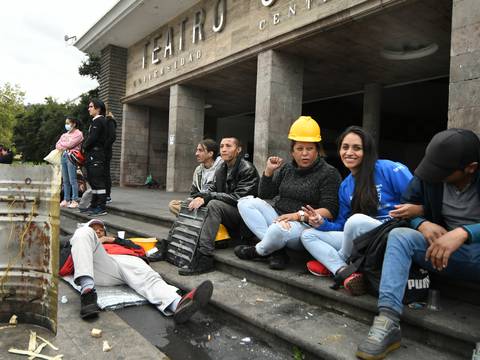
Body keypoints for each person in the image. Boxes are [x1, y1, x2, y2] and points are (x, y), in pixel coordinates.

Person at [357, 128, 480, 360]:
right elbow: (407, 206)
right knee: (400, 236)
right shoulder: (430, 174)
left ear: (470, 168)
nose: (432, 175)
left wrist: (465, 232)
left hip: (474, 254)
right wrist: (422, 223)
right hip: (440, 251)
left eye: (442, 172)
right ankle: (388, 321)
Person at [301, 126, 416, 294]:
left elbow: (418, 200)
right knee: (308, 234)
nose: (349, 152)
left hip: (392, 234)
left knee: (357, 221)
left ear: (367, 151)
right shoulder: (345, 186)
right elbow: (343, 225)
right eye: (345, 147)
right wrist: (321, 223)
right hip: (363, 239)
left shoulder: (390, 169)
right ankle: (343, 272)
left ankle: (338, 261)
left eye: (357, 148)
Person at [233, 116, 342, 270]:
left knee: (278, 229)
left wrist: (297, 216)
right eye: (299, 149)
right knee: (245, 203)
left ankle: (260, 250)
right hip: (279, 216)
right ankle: (277, 251)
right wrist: (269, 171)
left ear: (318, 150)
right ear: (292, 151)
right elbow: (266, 194)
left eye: (310, 148)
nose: (304, 154)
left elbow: (330, 211)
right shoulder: (287, 169)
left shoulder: (329, 173)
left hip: (304, 226)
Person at [60, 219, 213, 323]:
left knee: (146, 274)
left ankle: (177, 305)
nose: (98, 232)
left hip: (127, 264)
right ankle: (87, 293)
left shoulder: (117, 243)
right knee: (82, 232)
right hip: (101, 267)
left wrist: (114, 240)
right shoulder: (83, 238)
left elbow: (140, 250)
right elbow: (70, 245)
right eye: (95, 230)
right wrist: (84, 237)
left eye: (101, 230)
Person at [178, 137, 260, 276]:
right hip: (229, 213)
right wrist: (200, 196)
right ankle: (186, 243)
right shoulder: (222, 168)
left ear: (238, 150)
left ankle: (205, 256)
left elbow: (239, 199)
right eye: (222, 146)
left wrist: (209, 196)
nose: (223, 149)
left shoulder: (247, 169)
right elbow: (211, 187)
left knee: (214, 204)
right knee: (192, 203)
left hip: (244, 218)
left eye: (228, 146)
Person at [168, 139, 223, 216]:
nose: (196, 153)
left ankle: (197, 217)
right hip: (199, 202)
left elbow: (221, 193)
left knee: (211, 205)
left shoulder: (222, 167)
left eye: (200, 150)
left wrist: (203, 200)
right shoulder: (198, 170)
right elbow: (193, 193)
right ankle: (197, 217)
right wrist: (194, 200)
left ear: (210, 153)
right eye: (197, 150)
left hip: (212, 203)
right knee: (173, 204)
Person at [83, 99, 109, 216]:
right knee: (93, 181)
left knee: (98, 181)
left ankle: (101, 207)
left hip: (96, 155)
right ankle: (94, 204)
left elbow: (92, 138)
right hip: (93, 155)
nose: (89, 108)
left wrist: (84, 146)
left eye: (91, 106)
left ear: (98, 108)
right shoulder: (96, 121)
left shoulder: (99, 121)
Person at [56, 117, 84, 209]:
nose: (66, 125)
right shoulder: (64, 134)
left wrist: (64, 144)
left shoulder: (79, 134)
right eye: (66, 123)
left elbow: (70, 144)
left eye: (68, 123)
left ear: (74, 124)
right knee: (65, 180)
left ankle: (75, 200)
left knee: (73, 179)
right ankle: (66, 199)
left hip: (72, 157)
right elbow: (57, 145)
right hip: (63, 156)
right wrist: (65, 145)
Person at [104, 111, 117, 203]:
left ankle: (107, 195)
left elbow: (112, 136)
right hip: (100, 152)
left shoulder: (110, 121)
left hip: (105, 152)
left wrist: (103, 147)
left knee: (105, 173)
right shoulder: (100, 121)